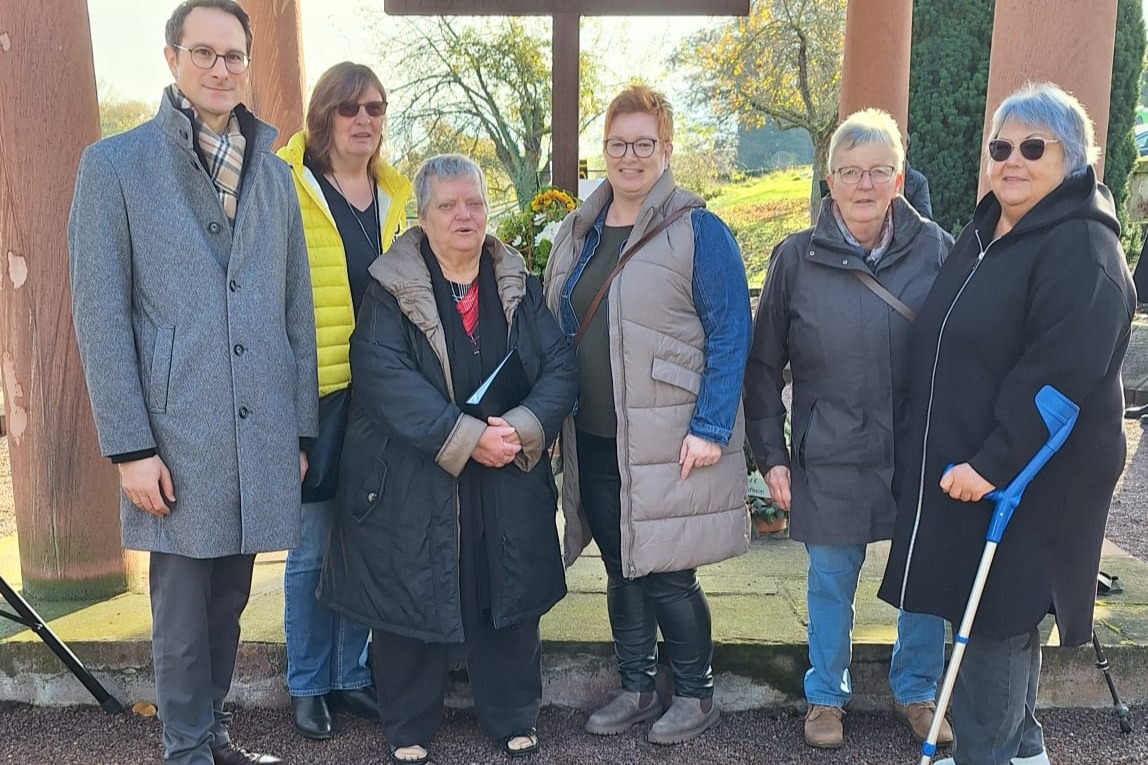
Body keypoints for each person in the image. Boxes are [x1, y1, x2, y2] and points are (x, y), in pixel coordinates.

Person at [66, 2, 317, 764]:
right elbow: (99, 313)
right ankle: (184, 749)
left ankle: (211, 734)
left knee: (229, 599)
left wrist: (300, 430)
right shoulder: (114, 166)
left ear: (247, 64)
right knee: (180, 607)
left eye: (233, 55)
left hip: (261, 425)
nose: (220, 68)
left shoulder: (274, 177)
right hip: (173, 432)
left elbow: (294, 310)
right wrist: (129, 446)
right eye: (203, 52)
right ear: (172, 57)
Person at [879, 82, 1135, 765]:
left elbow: (1057, 378)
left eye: (1032, 147)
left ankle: (990, 754)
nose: (1011, 160)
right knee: (999, 625)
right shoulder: (990, 229)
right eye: (1000, 147)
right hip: (970, 471)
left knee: (993, 625)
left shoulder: (1082, 250)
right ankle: (1024, 752)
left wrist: (993, 463)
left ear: (1074, 160)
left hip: (1023, 483)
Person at [317, 154, 577, 764]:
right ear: (422, 217)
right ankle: (407, 724)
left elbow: (559, 365)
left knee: (506, 587)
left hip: (507, 467)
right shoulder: (389, 288)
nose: (465, 216)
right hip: (415, 471)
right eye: (448, 205)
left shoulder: (517, 281)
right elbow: (383, 379)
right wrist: (466, 439)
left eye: (475, 204)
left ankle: (513, 713)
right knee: (411, 589)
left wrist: (522, 426)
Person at [544, 84, 752, 745]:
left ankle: (694, 693)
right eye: (617, 144)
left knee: (667, 573)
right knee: (619, 563)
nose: (629, 157)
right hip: (596, 437)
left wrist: (711, 426)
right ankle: (635, 685)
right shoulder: (576, 231)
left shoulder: (698, 230)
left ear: (666, 149)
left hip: (669, 438)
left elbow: (730, 332)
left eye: (643, 144)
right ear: (602, 150)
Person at [745, 108, 954, 750]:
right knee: (830, 578)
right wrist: (771, 457)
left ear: (898, 179)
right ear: (828, 179)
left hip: (915, 449)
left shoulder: (938, 250)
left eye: (878, 171)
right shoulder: (794, 259)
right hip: (828, 448)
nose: (864, 184)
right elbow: (762, 366)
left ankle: (918, 689)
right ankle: (824, 697)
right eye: (850, 171)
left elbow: (965, 350)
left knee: (923, 576)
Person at [277, 61, 411, 741]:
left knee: (364, 542)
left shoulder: (394, 196)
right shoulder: (282, 186)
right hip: (315, 395)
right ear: (324, 114)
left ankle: (351, 672)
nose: (365, 120)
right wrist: (286, 420)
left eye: (377, 108)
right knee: (309, 549)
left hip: (379, 397)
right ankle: (307, 682)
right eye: (352, 108)